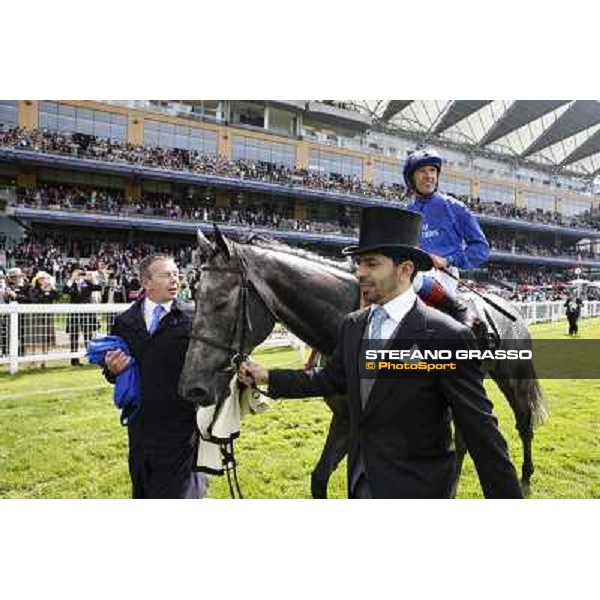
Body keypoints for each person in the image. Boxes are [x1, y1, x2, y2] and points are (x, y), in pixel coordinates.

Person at [238, 207, 523, 499]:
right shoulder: (353, 326)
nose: (360, 272)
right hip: (360, 486)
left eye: (372, 263)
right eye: (359, 263)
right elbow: (329, 380)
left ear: (405, 269)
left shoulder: (448, 337)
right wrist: (267, 376)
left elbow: (482, 435)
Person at [102, 253, 207, 499]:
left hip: (182, 427)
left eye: (176, 274)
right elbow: (111, 372)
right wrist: (112, 369)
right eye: (167, 275)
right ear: (146, 282)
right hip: (140, 428)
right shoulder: (125, 321)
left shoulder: (194, 317)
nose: (175, 280)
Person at [403, 149, 490, 331]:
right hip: (409, 276)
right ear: (411, 179)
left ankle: (460, 316)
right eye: (422, 171)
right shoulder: (406, 213)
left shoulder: (456, 208)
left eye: (432, 171)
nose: (429, 176)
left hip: (444, 277)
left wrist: (447, 260)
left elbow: (481, 248)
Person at [64, 267, 102, 366]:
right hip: (74, 313)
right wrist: (72, 278)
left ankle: (91, 358)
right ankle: (74, 360)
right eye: (77, 272)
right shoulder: (71, 283)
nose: (79, 274)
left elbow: (98, 287)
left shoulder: (87, 283)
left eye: (80, 272)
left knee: (88, 336)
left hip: (87, 313)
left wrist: (93, 278)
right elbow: (65, 290)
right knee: (73, 336)